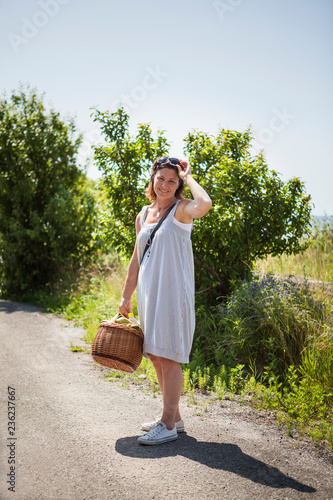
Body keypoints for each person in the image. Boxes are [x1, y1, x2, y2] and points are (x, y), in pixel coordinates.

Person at [119, 156, 212, 445]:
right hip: (150, 294)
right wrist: (126, 296)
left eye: (172, 180)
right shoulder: (143, 214)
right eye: (161, 178)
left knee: (169, 356)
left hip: (172, 294)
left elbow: (205, 204)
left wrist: (189, 178)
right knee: (157, 355)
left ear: (178, 184)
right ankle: (175, 417)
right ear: (153, 178)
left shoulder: (182, 210)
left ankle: (167, 424)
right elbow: (136, 258)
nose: (166, 185)